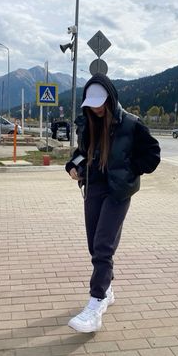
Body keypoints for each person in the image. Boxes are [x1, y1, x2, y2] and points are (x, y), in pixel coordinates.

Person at [65, 73, 161, 333]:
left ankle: (95, 305)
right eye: (92, 103)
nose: (96, 108)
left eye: (100, 102)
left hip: (118, 191)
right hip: (94, 186)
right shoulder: (87, 123)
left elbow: (152, 154)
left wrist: (130, 170)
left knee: (103, 245)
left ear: (111, 99)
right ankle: (107, 289)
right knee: (93, 244)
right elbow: (82, 153)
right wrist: (72, 166)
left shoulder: (132, 124)